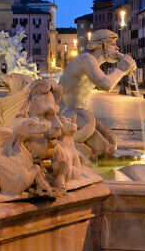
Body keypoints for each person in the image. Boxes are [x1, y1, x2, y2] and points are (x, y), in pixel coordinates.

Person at [58, 29, 136, 160]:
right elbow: (106, 85)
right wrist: (122, 69)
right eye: (113, 44)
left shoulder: (92, 61)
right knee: (106, 147)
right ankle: (77, 153)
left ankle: (85, 153)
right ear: (103, 45)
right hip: (68, 115)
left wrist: (125, 70)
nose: (117, 48)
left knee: (110, 143)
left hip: (80, 114)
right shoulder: (86, 60)